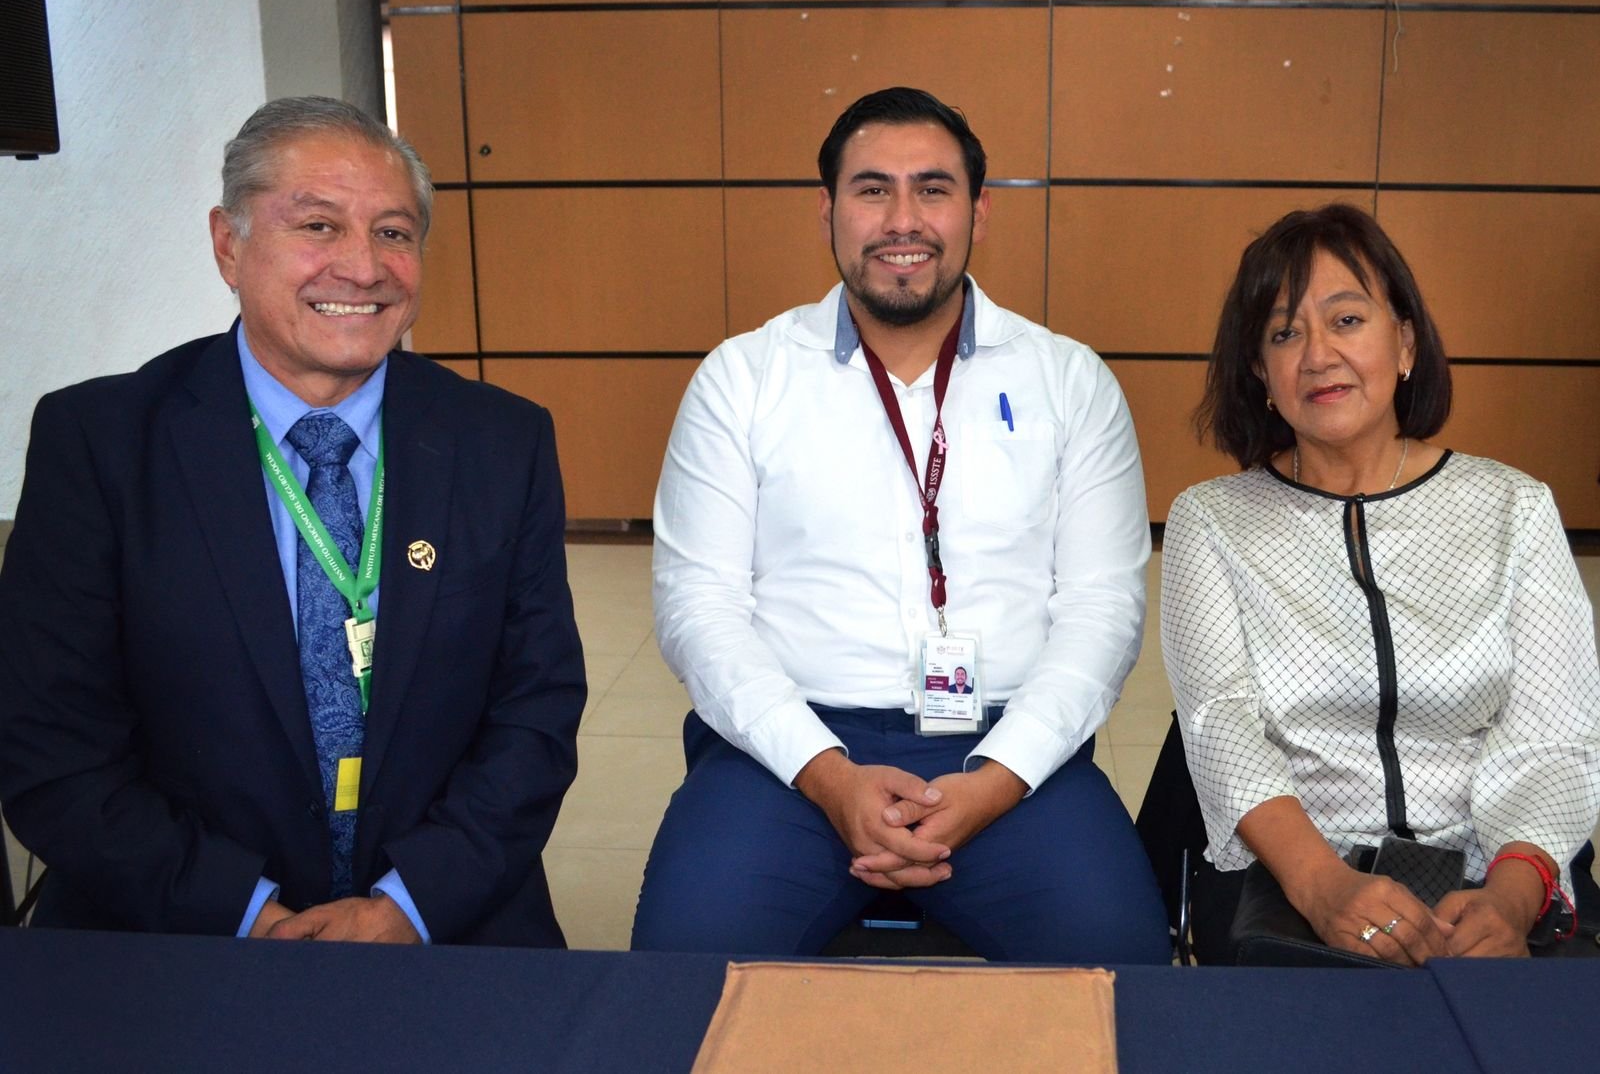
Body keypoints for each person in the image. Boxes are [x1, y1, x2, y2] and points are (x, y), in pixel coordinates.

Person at [0, 97, 586, 946]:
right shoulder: (100, 443)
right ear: (228, 245)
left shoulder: (502, 441)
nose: (364, 267)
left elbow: (536, 710)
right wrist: (242, 914)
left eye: (393, 233)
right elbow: (53, 747)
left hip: (449, 918)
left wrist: (409, 906)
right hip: (169, 927)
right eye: (318, 226)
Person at [634, 87, 1169, 963]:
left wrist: (996, 781)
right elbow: (700, 609)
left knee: (1124, 969)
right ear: (828, 211)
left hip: (1009, 751)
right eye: (873, 189)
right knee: (681, 971)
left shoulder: (1070, 383)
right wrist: (828, 776)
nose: (903, 220)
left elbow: (1102, 613)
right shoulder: (744, 379)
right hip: (790, 754)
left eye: (933, 189)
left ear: (978, 212)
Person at [1161, 203, 1600, 965]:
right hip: (1292, 876)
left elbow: (1554, 732)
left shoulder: (1514, 508)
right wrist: (1323, 885)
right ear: (1260, 372)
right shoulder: (1212, 520)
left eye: (1347, 320)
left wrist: (1511, 895)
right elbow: (1220, 727)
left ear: (1405, 342)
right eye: (1284, 334)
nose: (1318, 355)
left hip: (1492, 867)